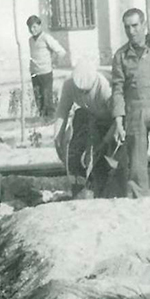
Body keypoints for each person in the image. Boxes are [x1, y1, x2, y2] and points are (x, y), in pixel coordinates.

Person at [112, 8, 150, 197]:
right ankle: (140, 205)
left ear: (144, 25)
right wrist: (118, 122)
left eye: (135, 26)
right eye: (127, 27)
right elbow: (117, 89)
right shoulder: (121, 56)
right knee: (137, 168)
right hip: (135, 114)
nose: (131, 31)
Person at [54, 60, 123, 198]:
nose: (83, 94)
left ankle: (110, 189)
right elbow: (62, 111)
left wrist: (104, 143)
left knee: (111, 158)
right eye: (80, 91)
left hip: (114, 120)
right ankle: (82, 183)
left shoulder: (105, 87)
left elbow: (118, 120)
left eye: (87, 91)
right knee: (80, 116)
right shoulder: (69, 85)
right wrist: (57, 137)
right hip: (93, 117)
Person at [27, 15, 66, 120]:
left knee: (47, 98)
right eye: (30, 27)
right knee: (38, 98)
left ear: (40, 26)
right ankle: (42, 120)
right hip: (35, 73)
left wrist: (54, 63)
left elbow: (61, 51)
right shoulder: (30, 40)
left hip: (45, 73)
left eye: (34, 27)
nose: (32, 30)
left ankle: (50, 120)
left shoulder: (46, 38)